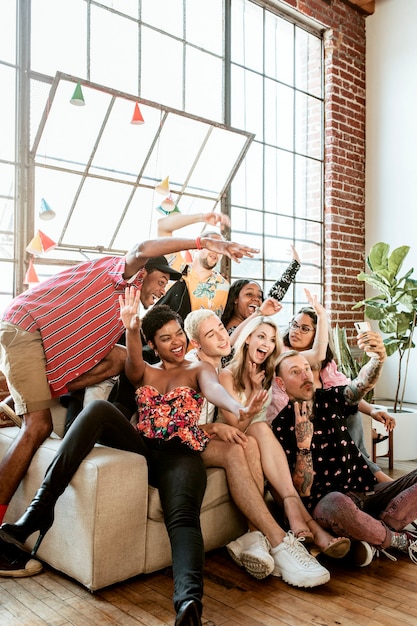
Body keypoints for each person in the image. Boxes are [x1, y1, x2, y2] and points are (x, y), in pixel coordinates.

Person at [0, 232, 257, 578]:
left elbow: (131, 359)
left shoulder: (128, 322)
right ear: (144, 273)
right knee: (39, 425)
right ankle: (23, 518)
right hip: (25, 325)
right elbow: (142, 249)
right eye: (161, 279)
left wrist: (233, 412)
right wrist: (202, 241)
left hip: (175, 450)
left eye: (167, 284)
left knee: (114, 360)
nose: (162, 289)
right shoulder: (122, 276)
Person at [184, 310, 350, 576]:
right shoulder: (223, 371)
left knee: (260, 432)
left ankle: (291, 522)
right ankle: (292, 523)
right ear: (247, 338)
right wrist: (250, 389)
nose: (267, 343)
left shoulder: (270, 369)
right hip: (234, 434)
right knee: (256, 432)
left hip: (258, 438)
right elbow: (236, 423)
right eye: (260, 336)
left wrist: (322, 314)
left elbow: (314, 357)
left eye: (272, 339)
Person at [271, 337, 417, 568]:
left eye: (307, 369)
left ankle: (372, 532)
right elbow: (302, 490)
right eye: (295, 372)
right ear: (281, 383)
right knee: (338, 505)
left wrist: (378, 360)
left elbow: (360, 386)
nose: (305, 375)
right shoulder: (279, 426)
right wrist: (303, 446)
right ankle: (398, 539)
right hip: (329, 505)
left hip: (367, 491)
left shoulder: (330, 398)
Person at [266, 299, 395, 482]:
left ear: (317, 333)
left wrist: (374, 410)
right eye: (294, 325)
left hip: (328, 420)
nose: (296, 331)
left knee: (352, 414)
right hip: (296, 421)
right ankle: (371, 473)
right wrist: (322, 314)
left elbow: (346, 392)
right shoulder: (281, 356)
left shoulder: (326, 365)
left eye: (304, 328)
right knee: (337, 415)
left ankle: (364, 469)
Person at [157, 211, 231, 318]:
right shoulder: (176, 267)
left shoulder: (224, 287)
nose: (216, 251)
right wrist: (201, 216)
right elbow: (162, 226)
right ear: (196, 248)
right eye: (211, 245)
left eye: (220, 248)